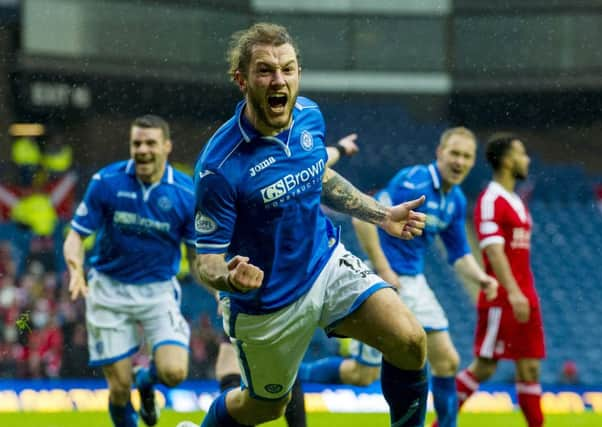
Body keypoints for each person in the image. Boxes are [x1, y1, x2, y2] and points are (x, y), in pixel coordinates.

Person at [179, 22, 430, 427]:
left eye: (288, 68)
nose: (279, 79)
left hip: (325, 264)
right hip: (267, 304)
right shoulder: (219, 168)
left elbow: (319, 176)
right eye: (265, 70)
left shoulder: (309, 116)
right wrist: (230, 279)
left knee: (409, 342)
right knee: (264, 408)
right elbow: (205, 261)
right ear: (241, 80)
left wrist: (381, 215)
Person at [210, 133, 360, 427]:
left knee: (281, 372)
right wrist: (223, 289)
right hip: (250, 292)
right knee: (242, 362)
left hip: (293, 283)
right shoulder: (229, 178)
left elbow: (321, 158)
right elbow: (212, 248)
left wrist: (342, 148)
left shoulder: (294, 162)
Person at [352, 127, 499, 427]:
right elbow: (362, 219)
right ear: (440, 153)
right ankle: (300, 379)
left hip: (414, 283)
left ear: (472, 163)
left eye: (467, 156)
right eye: (454, 153)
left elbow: (458, 253)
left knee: (447, 361)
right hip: (382, 282)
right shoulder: (413, 182)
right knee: (361, 374)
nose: (459, 161)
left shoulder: (455, 199)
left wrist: (481, 278)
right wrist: (384, 269)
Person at [63, 115, 203, 427]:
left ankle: (147, 380)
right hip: (108, 290)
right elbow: (75, 236)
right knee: (119, 389)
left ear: (167, 147)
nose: (142, 149)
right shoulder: (106, 182)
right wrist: (75, 268)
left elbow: (198, 258)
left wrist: (220, 291)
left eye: (150, 143)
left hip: (158, 291)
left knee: (174, 373)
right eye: (136, 143)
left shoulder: (186, 193)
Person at [454, 133, 545, 427]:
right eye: (522, 153)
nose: (526, 159)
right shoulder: (491, 198)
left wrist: (524, 294)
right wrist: (514, 292)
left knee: (530, 368)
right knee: (485, 366)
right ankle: (439, 423)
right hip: (503, 297)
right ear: (506, 160)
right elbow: (493, 251)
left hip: (524, 294)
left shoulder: (515, 200)